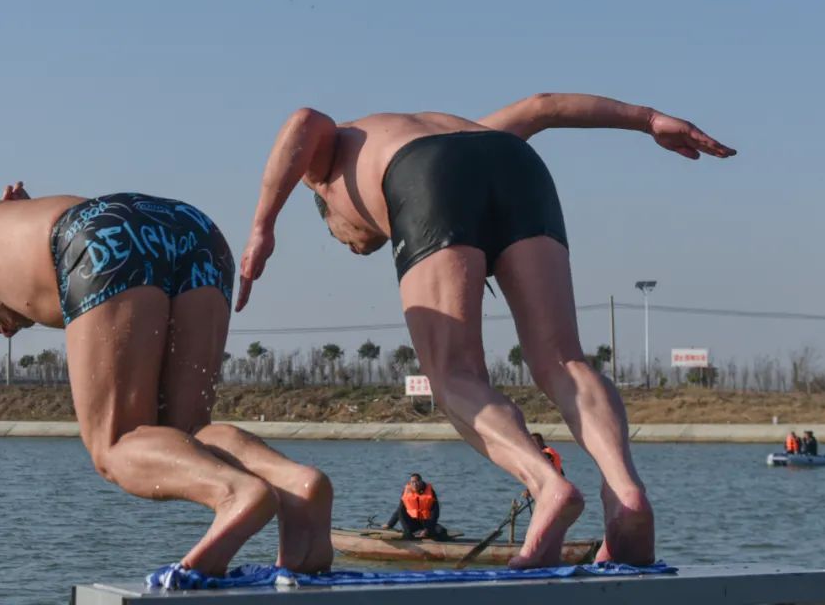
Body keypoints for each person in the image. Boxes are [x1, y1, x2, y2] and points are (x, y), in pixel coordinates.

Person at [237, 93, 736, 567]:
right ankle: (625, 491)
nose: (361, 246)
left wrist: (263, 224)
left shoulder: (326, 173)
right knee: (564, 360)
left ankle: (546, 486)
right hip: (514, 164)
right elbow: (545, 107)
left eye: (351, 243)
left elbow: (304, 120)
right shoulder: (472, 130)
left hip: (426, 174)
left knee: (453, 375)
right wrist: (648, 121)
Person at [0, 183, 333, 575]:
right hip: (196, 231)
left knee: (114, 443)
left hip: (106, 235)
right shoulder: (25, 235)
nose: (9, 328)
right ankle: (295, 485)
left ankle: (237, 494)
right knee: (187, 431)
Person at [383, 473, 448, 540]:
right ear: (410, 483)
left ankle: (425, 534)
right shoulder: (406, 492)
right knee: (401, 509)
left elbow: (435, 513)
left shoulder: (430, 492)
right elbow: (399, 511)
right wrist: (389, 524)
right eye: (412, 482)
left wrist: (427, 529)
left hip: (426, 523)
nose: (415, 484)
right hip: (412, 523)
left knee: (441, 531)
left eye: (417, 482)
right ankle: (408, 534)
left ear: (421, 482)